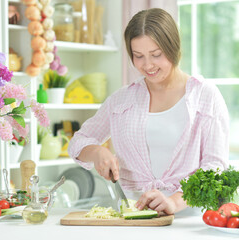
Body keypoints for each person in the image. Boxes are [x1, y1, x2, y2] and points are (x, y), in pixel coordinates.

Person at [68, 8, 229, 215]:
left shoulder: (205, 95)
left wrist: (175, 201)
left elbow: (215, 166)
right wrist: (97, 151)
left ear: (173, 48)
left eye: (156, 55)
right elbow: (78, 142)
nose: (148, 65)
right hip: (132, 218)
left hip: (189, 219)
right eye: (138, 56)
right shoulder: (121, 100)